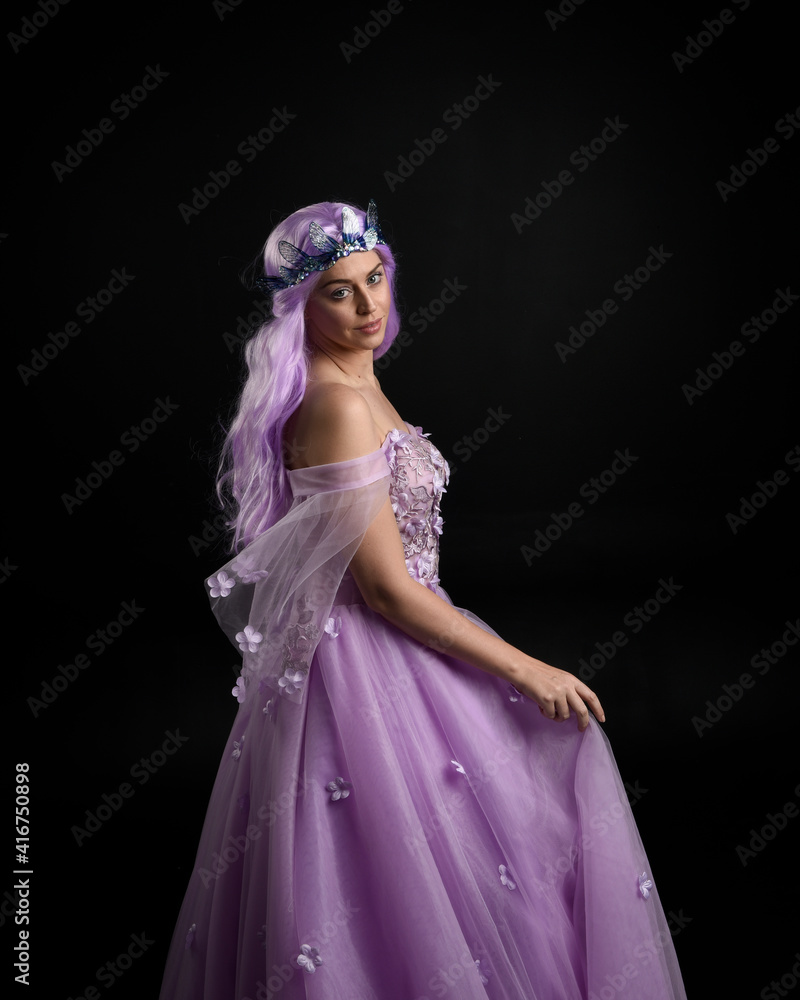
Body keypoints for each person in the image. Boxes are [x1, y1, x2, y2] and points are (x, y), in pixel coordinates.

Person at [159, 201, 687, 999]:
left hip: (399, 635)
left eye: (376, 281)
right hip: (374, 656)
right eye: (340, 293)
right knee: (402, 867)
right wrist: (526, 666)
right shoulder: (336, 404)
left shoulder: (355, 382)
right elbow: (387, 591)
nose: (369, 308)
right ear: (302, 305)